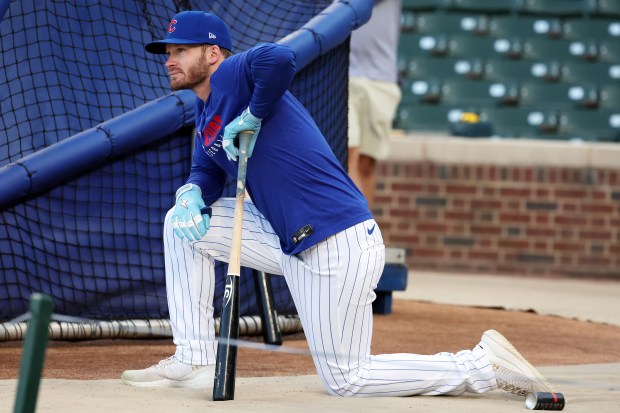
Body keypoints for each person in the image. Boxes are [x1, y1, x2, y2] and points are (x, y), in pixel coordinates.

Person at [121, 10, 555, 398]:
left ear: (213, 53)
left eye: (181, 50)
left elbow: (280, 59)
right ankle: (195, 358)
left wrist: (253, 114)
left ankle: (480, 366)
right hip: (287, 238)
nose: (169, 60)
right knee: (182, 224)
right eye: (168, 52)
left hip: (336, 242)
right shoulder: (204, 113)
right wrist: (190, 193)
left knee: (348, 380)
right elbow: (205, 172)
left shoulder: (235, 73)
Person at [348, 0, 402, 209]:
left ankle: (367, 234)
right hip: (343, 72)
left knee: (366, 164)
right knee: (348, 154)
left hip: (382, 77)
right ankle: (354, 233)